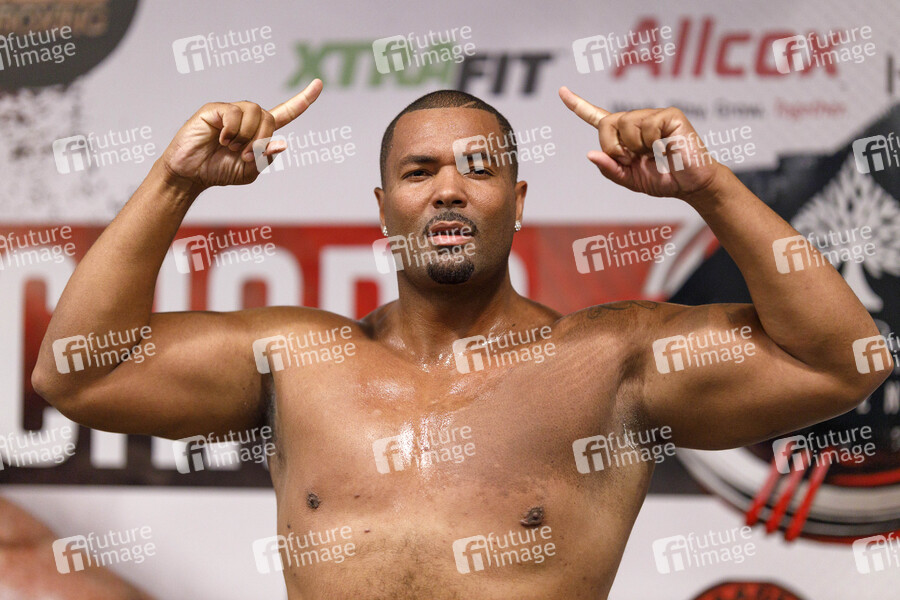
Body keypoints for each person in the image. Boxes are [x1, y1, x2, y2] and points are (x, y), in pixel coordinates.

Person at [31, 78, 891, 599]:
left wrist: (708, 187)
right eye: (420, 171)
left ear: (518, 203)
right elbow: (78, 375)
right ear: (383, 209)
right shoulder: (297, 361)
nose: (449, 189)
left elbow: (843, 362)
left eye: (479, 169)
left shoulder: (608, 363)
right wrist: (174, 181)